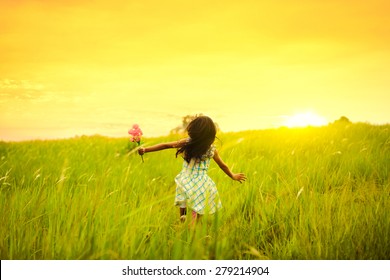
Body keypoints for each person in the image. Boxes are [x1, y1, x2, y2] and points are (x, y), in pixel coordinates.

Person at [138, 115, 246, 222]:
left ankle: (184, 220)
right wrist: (233, 175)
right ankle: (194, 224)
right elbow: (222, 165)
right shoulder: (211, 150)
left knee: (183, 201)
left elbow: (165, 145)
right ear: (211, 135)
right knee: (199, 207)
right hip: (201, 182)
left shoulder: (187, 142)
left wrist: (145, 149)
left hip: (186, 179)